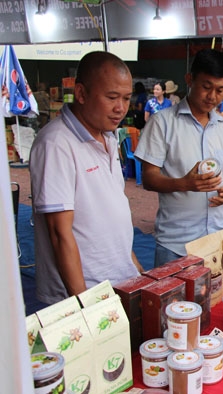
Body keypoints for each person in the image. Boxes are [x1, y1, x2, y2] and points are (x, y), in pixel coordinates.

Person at [29, 51, 143, 305]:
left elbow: (112, 215)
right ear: (81, 94)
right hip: (84, 295)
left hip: (119, 283)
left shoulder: (109, 137)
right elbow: (59, 233)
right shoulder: (56, 143)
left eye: (126, 98)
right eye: (111, 97)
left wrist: (136, 269)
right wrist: (83, 305)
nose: (120, 108)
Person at [134, 49, 223, 267]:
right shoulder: (163, 123)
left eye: (220, 90)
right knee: (173, 301)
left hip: (218, 240)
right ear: (190, 79)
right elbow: (149, 178)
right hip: (177, 244)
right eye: (206, 87)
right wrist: (184, 183)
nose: (212, 96)